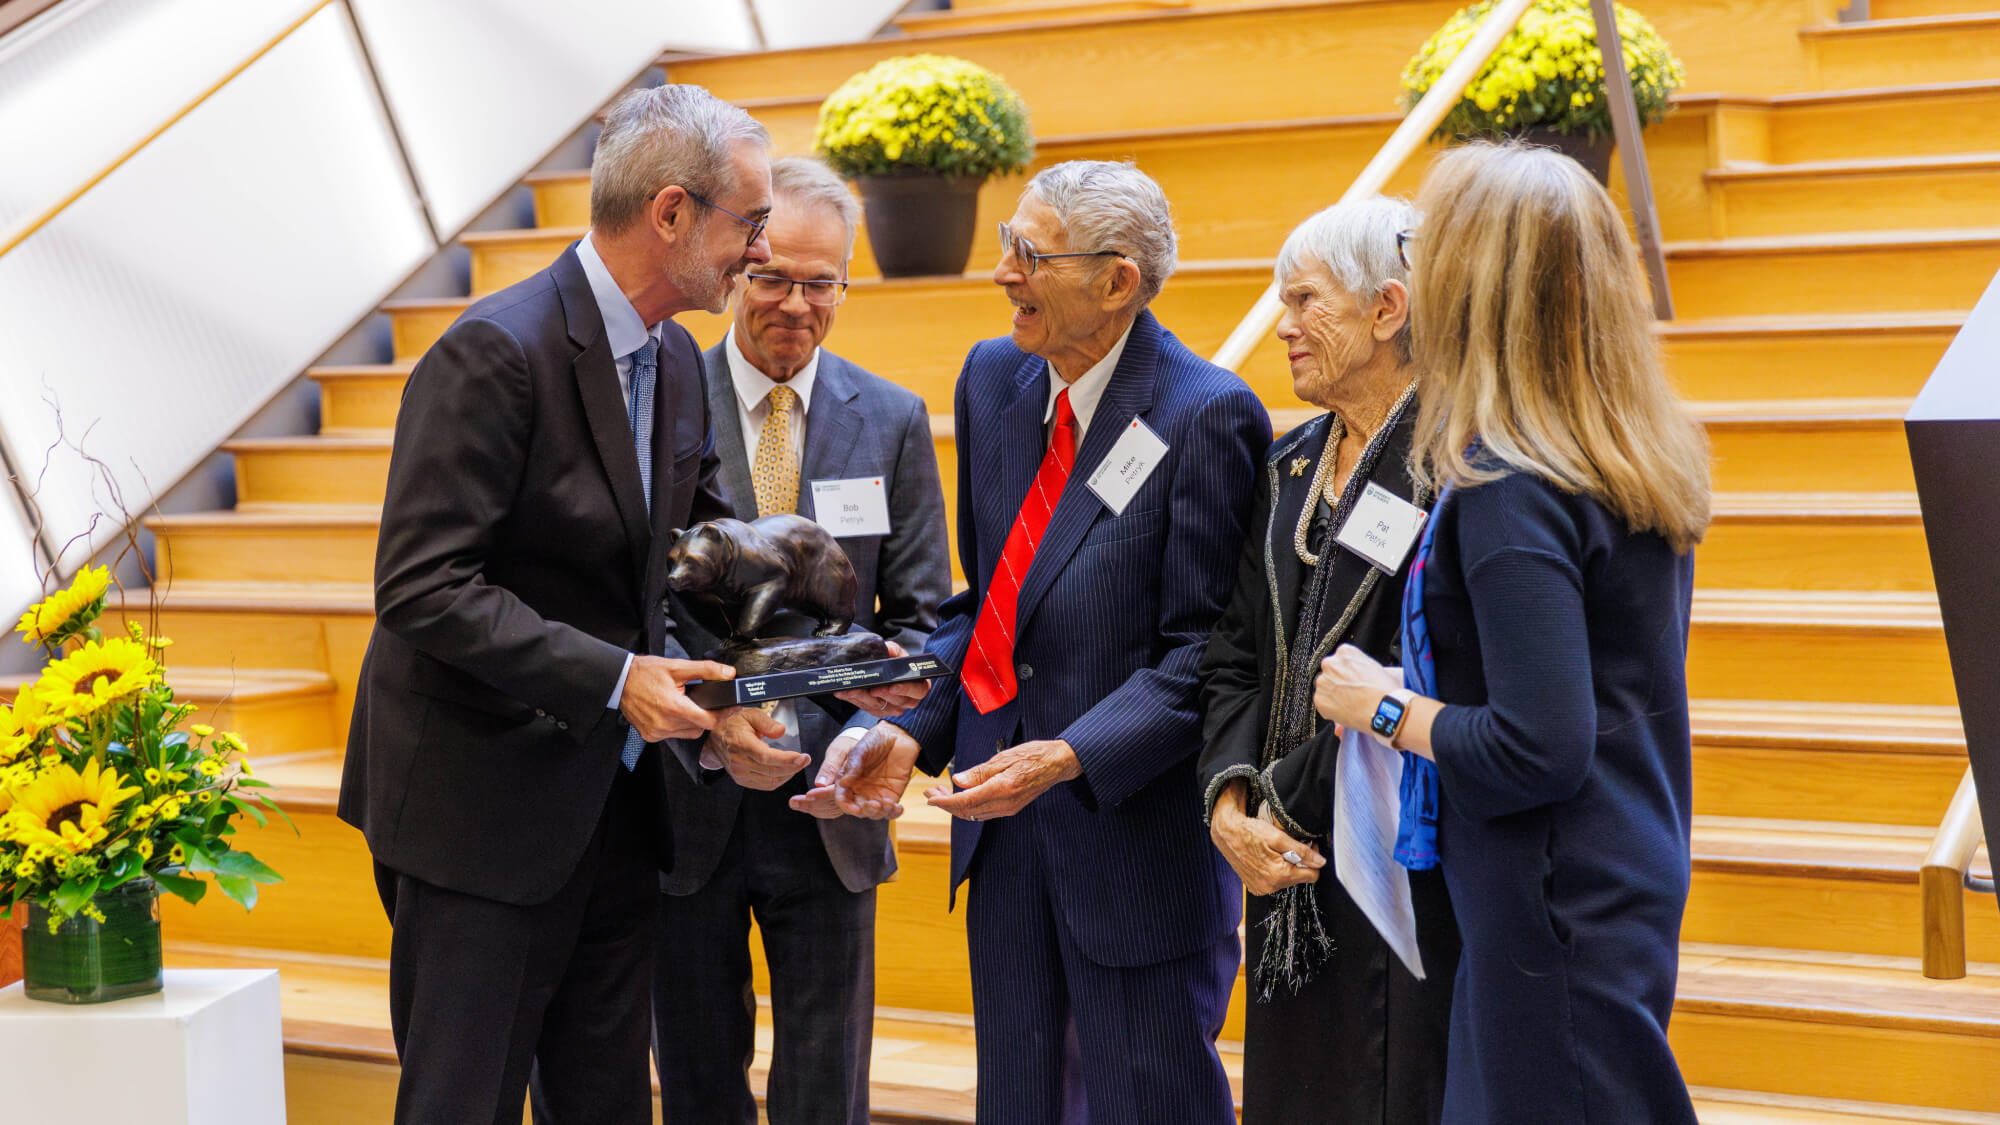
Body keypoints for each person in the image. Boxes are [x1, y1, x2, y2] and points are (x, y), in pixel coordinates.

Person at [338, 84, 808, 1125]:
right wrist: (616, 679)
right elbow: (422, 587)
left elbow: (691, 567)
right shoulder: (493, 351)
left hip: (617, 813)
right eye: (751, 222)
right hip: (480, 816)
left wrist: (741, 700)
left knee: (602, 1103)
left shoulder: (676, 356)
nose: (762, 250)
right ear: (673, 213)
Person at [798, 160, 1269, 1124]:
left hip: (1131, 854)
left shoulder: (1206, 414)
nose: (1004, 273)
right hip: (1005, 845)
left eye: (1029, 252)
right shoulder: (995, 381)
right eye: (1008, 244)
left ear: (1116, 281)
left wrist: (1064, 758)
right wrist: (913, 729)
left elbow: (1204, 655)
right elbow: (991, 606)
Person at [1312, 141, 1712, 1124]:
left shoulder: (1509, 488)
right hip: (1614, 864)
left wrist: (1383, 706)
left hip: (1547, 896)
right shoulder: (1625, 449)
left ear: (1473, 286)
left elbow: (1537, 744)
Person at [651, 155, 952, 1125]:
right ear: (735, 267)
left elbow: (916, 619)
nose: (794, 304)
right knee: (697, 1076)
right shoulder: (662, 399)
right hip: (687, 801)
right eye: (772, 276)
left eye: (819, 283)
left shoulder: (894, 420)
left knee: (827, 1089)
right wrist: (712, 725)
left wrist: (874, 733)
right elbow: (636, 602)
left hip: (830, 800)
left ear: (845, 286)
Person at [1196, 196, 1459, 1124]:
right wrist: (1230, 803)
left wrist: (1276, 803)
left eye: (1306, 300)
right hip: (1282, 859)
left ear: (1388, 310)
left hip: (1393, 857)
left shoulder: (1453, 464)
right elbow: (1234, 649)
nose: (1284, 324)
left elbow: (1411, 674)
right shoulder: (1289, 461)